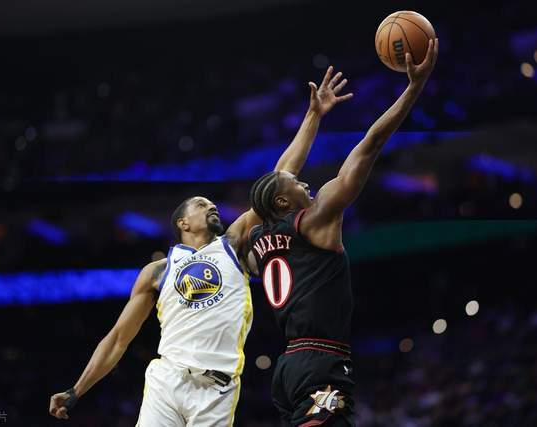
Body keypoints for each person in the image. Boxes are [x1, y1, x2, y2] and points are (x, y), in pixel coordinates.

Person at [48, 66, 353, 426]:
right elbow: (117, 339)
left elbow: (278, 180)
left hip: (217, 389)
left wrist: (313, 116)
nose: (211, 206)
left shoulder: (233, 245)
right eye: (201, 204)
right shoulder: (156, 272)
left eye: (211, 203)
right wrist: (76, 390)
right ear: (182, 223)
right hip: (167, 378)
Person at [246, 40, 439, 426]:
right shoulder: (315, 219)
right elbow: (370, 145)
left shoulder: (257, 238)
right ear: (282, 202)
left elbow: (281, 174)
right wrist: (414, 88)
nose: (305, 183)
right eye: (297, 184)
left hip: (289, 366)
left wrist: (314, 116)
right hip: (321, 360)